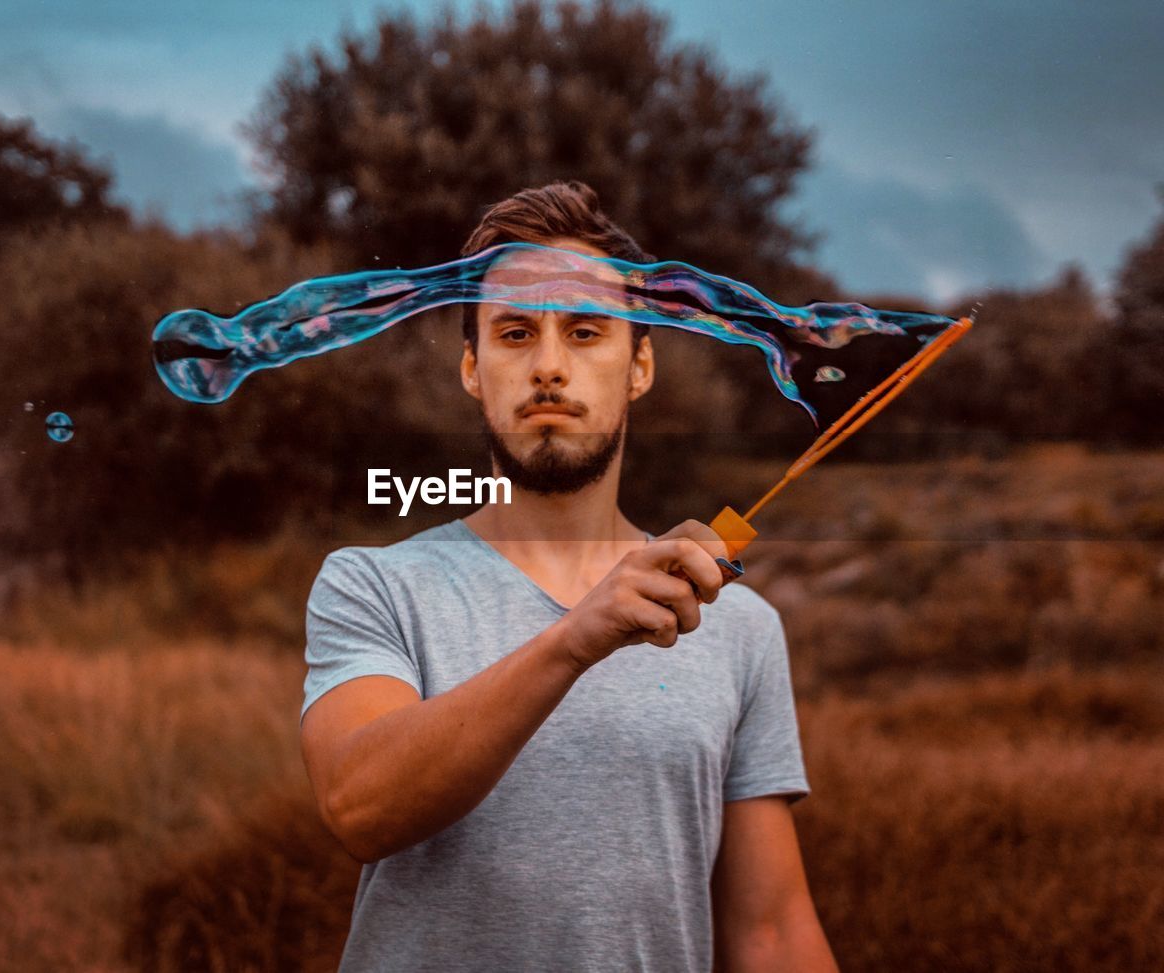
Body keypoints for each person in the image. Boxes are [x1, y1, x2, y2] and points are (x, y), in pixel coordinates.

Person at [299, 180, 837, 972]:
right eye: (515, 334)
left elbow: (770, 931)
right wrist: (577, 636)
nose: (549, 366)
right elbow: (359, 804)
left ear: (640, 364)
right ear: (473, 370)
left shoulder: (738, 624)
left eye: (585, 331)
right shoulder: (373, 584)